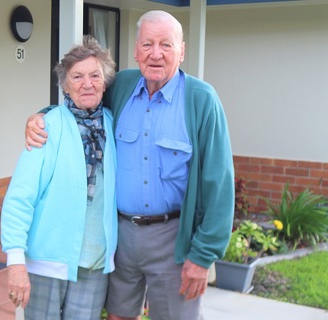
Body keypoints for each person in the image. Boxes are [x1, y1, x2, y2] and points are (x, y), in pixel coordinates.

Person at [24, 10, 235, 320]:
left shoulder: (201, 99)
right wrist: (41, 117)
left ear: (182, 51)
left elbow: (219, 183)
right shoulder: (121, 86)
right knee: (119, 316)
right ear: (136, 50)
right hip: (121, 236)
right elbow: (82, 100)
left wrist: (203, 257)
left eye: (166, 44)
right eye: (147, 44)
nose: (156, 54)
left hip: (172, 238)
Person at [1, 35, 118, 320]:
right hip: (46, 263)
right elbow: (20, 197)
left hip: (94, 262)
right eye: (77, 76)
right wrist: (16, 262)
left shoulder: (114, 126)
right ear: (64, 84)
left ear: (105, 81)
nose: (87, 83)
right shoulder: (47, 127)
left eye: (95, 75)